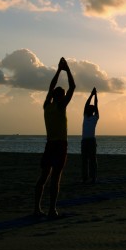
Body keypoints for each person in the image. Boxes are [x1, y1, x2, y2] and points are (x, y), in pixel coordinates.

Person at [34, 58, 75, 218]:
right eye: (63, 95)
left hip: (50, 144)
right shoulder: (60, 106)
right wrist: (67, 69)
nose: (65, 97)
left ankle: (36, 208)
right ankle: (52, 209)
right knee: (55, 178)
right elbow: (72, 87)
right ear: (61, 97)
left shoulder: (47, 106)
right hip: (59, 145)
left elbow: (51, 88)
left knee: (44, 177)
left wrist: (58, 70)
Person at [82, 87, 100, 184]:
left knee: (92, 160)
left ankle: (93, 177)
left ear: (92, 111)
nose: (88, 109)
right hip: (84, 140)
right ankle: (85, 178)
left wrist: (95, 95)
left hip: (91, 140)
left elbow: (96, 105)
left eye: (90, 109)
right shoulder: (85, 116)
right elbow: (86, 104)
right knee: (84, 160)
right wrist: (91, 95)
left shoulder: (95, 117)